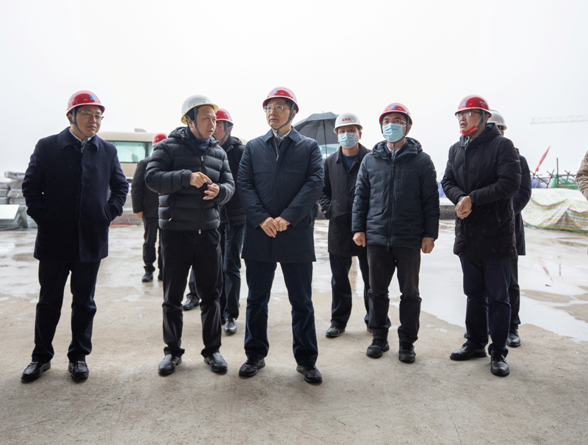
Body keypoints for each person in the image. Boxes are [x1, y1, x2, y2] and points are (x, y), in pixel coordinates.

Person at [21, 90, 128, 382]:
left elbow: (120, 187)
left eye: (98, 116)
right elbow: (31, 187)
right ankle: (40, 357)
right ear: (71, 115)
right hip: (54, 240)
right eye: (87, 114)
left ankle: (78, 357)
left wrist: (107, 213)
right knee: (48, 302)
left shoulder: (107, 151)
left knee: (84, 302)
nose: (94, 120)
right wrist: (43, 217)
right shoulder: (48, 147)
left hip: (90, 240)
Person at [237, 87, 324, 384]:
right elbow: (244, 184)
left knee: (302, 301)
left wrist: (287, 217)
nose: (272, 112)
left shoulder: (309, 147)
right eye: (268, 107)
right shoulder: (253, 147)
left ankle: (307, 360)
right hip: (259, 234)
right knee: (256, 300)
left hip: (294, 234)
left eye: (279, 107)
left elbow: (314, 183)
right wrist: (262, 218)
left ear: (293, 112)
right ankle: (254, 355)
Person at [145, 95, 235, 376]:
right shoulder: (167, 147)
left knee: (211, 296)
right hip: (175, 234)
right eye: (206, 118)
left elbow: (230, 184)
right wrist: (186, 177)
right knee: (172, 297)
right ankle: (172, 352)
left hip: (208, 233)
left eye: (215, 119)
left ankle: (213, 351)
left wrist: (220, 192)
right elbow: (151, 178)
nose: (212, 124)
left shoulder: (219, 152)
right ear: (189, 121)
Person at [352, 103, 439, 364]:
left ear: (408, 126)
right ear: (381, 126)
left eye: (398, 121)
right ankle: (379, 337)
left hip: (409, 238)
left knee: (409, 293)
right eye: (387, 120)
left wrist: (430, 234)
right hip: (377, 237)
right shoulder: (370, 160)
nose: (392, 125)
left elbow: (430, 201)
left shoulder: (422, 161)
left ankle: (407, 343)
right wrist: (358, 228)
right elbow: (361, 196)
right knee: (376, 292)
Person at [442, 95, 521, 377]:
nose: (462, 118)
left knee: (498, 297)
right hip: (468, 233)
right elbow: (447, 181)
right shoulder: (456, 149)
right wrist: (459, 198)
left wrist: (473, 198)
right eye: (459, 114)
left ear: (485, 117)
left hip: (496, 235)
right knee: (473, 294)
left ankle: (498, 352)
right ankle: (475, 342)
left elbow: (510, 184)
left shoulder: (502, 146)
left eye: (469, 113)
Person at [318, 112, 372, 338]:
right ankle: (338, 321)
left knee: (372, 279)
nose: (347, 134)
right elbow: (322, 192)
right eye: (342, 131)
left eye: (351, 130)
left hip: (368, 228)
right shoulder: (329, 162)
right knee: (339, 279)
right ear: (337, 135)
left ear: (360, 133)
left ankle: (375, 321)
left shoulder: (372, 159)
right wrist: (331, 209)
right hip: (339, 227)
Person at [488, 110, 531, 348]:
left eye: (500, 128)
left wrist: (503, 213)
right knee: (483, 283)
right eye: (492, 127)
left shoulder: (518, 160)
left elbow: (523, 192)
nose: (497, 132)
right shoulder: (478, 157)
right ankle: (485, 325)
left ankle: (512, 326)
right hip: (482, 231)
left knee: (509, 281)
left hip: (509, 229)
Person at [213, 108, 246, 334]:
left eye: (218, 124)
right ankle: (218, 309)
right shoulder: (208, 150)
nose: (213, 127)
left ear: (228, 128)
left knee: (230, 266)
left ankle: (230, 314)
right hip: (213, 219)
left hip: (235, 218)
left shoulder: (239, 151)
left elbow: (247, 183)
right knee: (215, 267)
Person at [132, 133, 166, 283]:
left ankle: (163, 270)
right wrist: (137, 208)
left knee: (165, 243)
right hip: (150, 210)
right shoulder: (144, 163)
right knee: (149, 241)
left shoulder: (170, 164)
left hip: (167, 211)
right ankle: (148, 269)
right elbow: (136, 187)